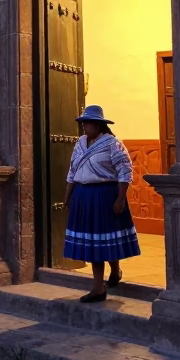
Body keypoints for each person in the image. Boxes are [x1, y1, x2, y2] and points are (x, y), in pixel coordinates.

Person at [63, 105, 141, 303]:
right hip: (83, 195)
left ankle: (109, 276)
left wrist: (120, 199)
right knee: (93, 242)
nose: (84, 126)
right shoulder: (80, 143)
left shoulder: (112, 144)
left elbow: (125, 171)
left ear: (98, 125)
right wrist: (68, 194)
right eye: (83, 123)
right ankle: (100, 284)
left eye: (87, 123)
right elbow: (73, 170)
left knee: (105, 238)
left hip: (105, 196)